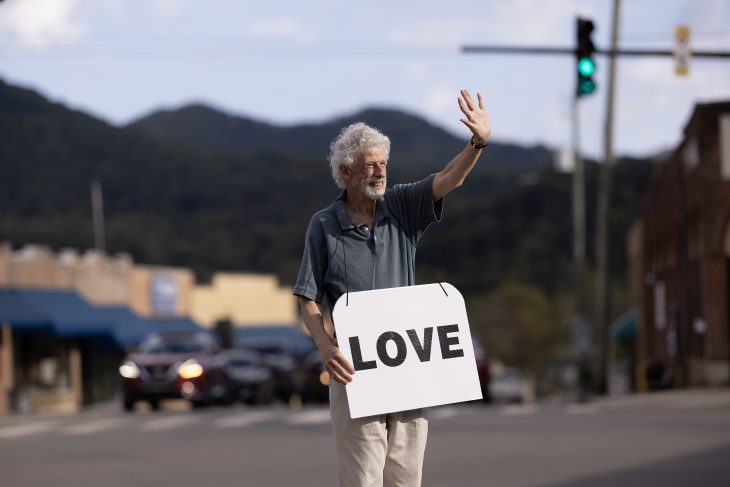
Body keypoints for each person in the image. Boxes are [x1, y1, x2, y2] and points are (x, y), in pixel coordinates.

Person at [293, 90, 491, 487]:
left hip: (407, 370)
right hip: (355, 372)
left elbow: (450, 178)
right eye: (369, 165)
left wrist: (477, 143)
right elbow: (307, 297)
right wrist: (326, 347)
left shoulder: (401, 206)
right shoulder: (324, 225)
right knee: (363, 477)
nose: (380, 172)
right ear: (345, 173)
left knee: (405, 477)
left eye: (383, 163)